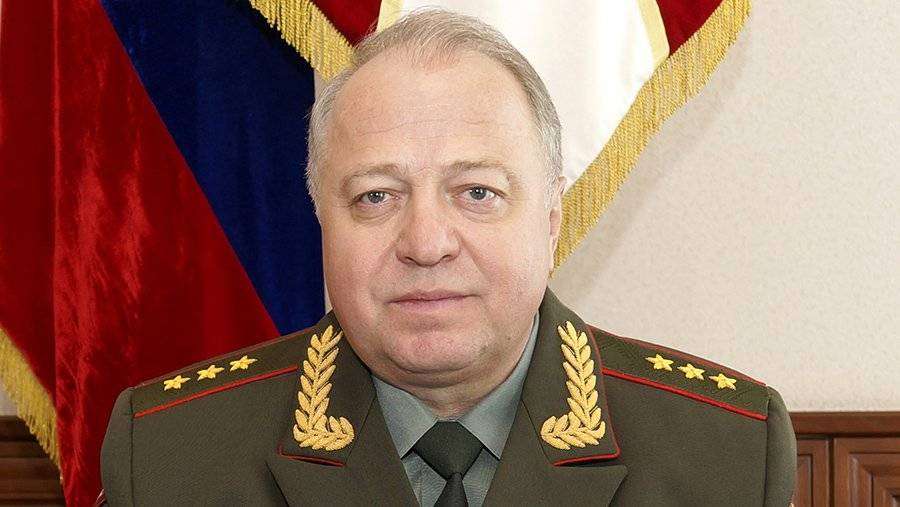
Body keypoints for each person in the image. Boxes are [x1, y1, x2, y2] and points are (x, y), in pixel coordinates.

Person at [99, 9, 796, 506]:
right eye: (376, 196)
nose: (426, 243)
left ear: (551, 216)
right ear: (320, 218)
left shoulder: (727, 457)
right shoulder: (168, 459)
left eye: (477, 192)